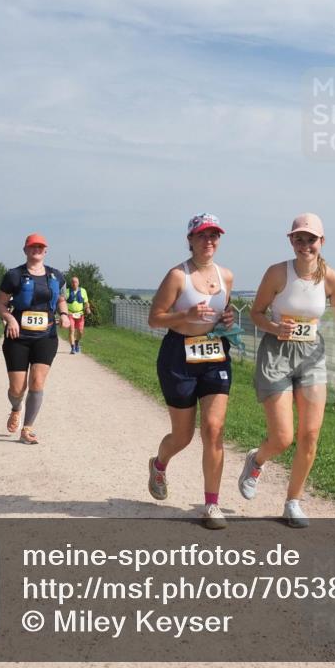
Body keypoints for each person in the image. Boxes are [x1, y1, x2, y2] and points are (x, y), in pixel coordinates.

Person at [240, 213, 335, 527]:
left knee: (310, 434)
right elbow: (255, 313)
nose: (304, 245)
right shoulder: (278, 273)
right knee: (282, 438)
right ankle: (256, 460)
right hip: (276, 353)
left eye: (311, 239)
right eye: (299, 238)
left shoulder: (331, 278)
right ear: (291, 240)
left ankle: (293, 502)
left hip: (311, 355)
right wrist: (275, 326)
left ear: (322, 242)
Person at [147, 213, 235, 529]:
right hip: (178, 356)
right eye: (202, 235)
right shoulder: (177, 276)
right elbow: (155, 318)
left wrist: (228, 320)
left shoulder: (226, 276)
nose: (208, 241)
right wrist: (185, 313)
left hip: (214, 355)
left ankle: (212, 505)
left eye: (214, 235)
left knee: (213, 428)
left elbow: (226, 313)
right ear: (190, 240)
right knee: (183, 436)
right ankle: (159, 464)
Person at [0, 233, 70, 445]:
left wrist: (64, 315)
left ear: (45, 251)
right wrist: (9, 318)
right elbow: (0, 303)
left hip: (46, 336)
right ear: (25, 250)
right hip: (17, 336)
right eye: (32, 247)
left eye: (40, 247)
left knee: (37, 381)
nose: (36, 250)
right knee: (17, 388)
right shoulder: (14, 275)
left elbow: (62, 299)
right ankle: (16, 408)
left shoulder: (56, 276)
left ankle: (27, 429)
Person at [65, 276, 92, 354]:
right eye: (73, 282)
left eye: (76, 282)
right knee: (71, 330)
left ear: (78, 283)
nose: (74, 284)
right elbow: (62, 302)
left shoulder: (83, 291)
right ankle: (72, 347)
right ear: (71, 283)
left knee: (80, 331)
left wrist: (88, 308)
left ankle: (77, 342)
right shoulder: (66, 291)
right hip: (70, 313)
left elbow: (86, 302)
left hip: (80, 314)